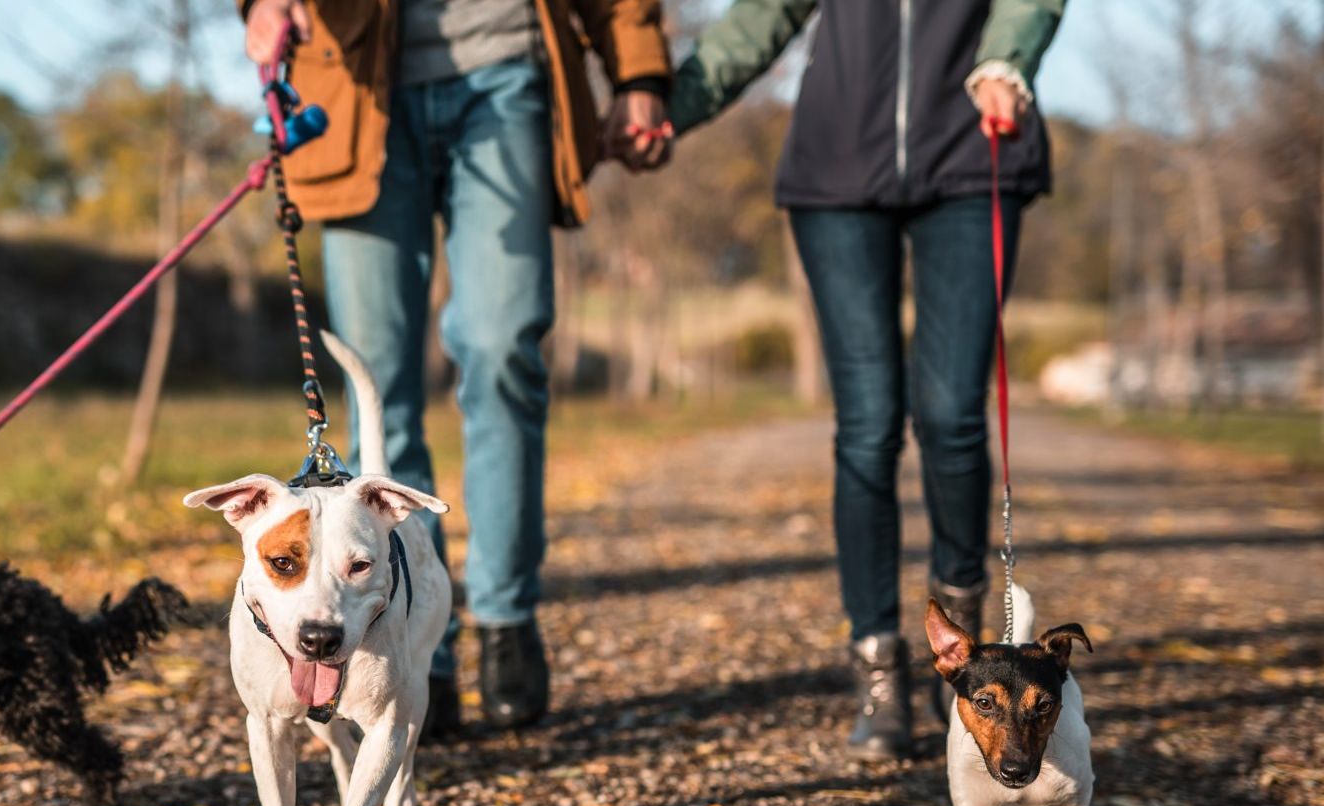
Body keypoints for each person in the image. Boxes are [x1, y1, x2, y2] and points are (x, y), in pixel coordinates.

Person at [241, 0, 673, 734]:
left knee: (504, 349)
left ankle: (507, 620)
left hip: (507, 71)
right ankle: (412, 640)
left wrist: (637, 69)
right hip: (353, 82)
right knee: (377, 381)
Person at [668, 0, 1065, 758]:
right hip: (838, 164)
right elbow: (761, 17)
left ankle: (962, 647)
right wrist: (669, 111)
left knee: (951, 413)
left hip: (973, 148)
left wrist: (1006, 60)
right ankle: (880, 671)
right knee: (867, 426)